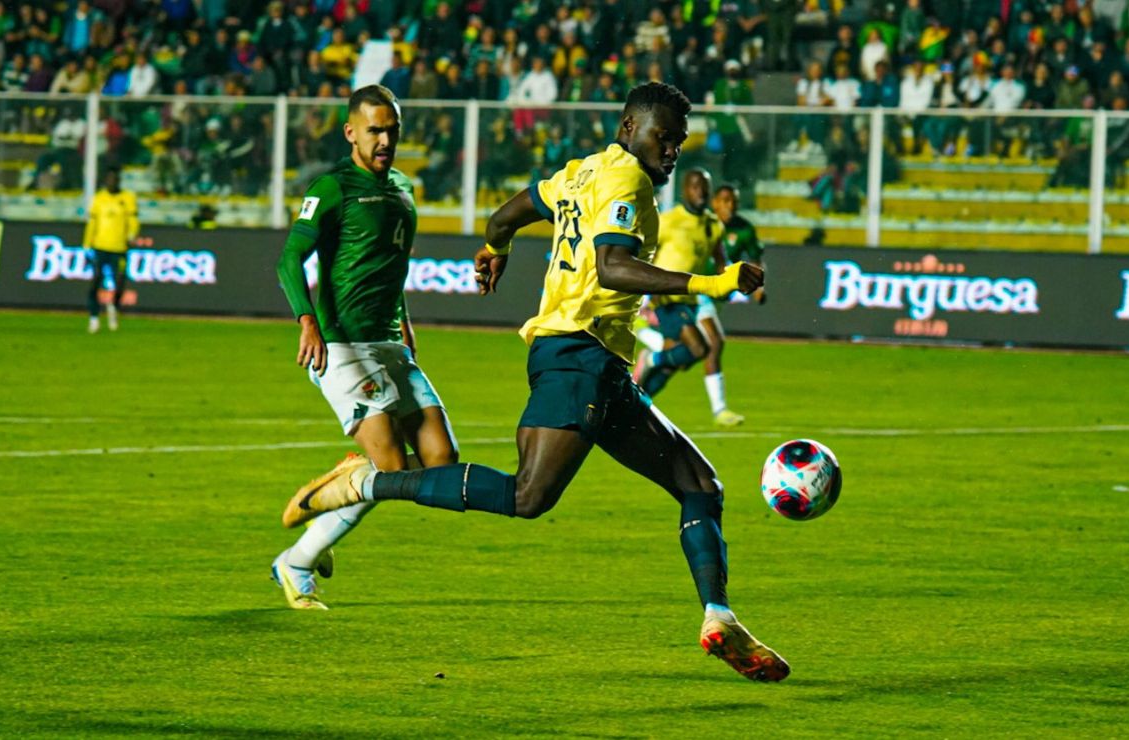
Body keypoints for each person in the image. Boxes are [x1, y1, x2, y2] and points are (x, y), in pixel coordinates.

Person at [280, 83, 785, 682]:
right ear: (629, 127)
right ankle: (369, 483)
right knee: (528, 497)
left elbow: (505, 215)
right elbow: (614, 267)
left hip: (603, 367)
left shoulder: (578, 174)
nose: (672, 150)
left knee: (701, 485)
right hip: (576, 357)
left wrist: (496, 246)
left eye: (678, 141)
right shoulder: (627, 181)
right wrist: (713, 282)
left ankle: (718, 615)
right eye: (663, 137)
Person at [273, 84, 459, 610]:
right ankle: (298, 561)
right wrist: (307, 321)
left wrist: (406, 321)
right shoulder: (331, 188)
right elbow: (290, 259)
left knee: (441, 463)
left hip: (390, 341)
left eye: (392, 131)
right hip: (342, 345)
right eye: (374, 130)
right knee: (393, 471)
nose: (384, 140)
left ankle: (344, 488)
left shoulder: (403, 187)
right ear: (351, 131)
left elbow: (389, 266)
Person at [630, 168, 741, 427]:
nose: (699, 191)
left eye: (704, 187)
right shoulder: (668, 220)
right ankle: (651, 358)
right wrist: (644, 293)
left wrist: (734, 279)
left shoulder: (713, 225)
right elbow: (646, 255)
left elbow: (720, 261)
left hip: (691, 300)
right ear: (684, 190)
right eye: (694, 186)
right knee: (700, 347)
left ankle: (636, 405)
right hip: (667, 296)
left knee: (673, 364)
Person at [83, 166, 138, 334]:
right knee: (95, 282)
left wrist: (132, 235)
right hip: (100, 246)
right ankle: (94, 318)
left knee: (119, 282)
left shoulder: (127, 197)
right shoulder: (99, 199)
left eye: (115, 179)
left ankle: (113, 307)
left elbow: (133, 220)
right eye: (109, 179)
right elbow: (92, 223)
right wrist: (86, 244)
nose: (112, 182)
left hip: (119, 247)